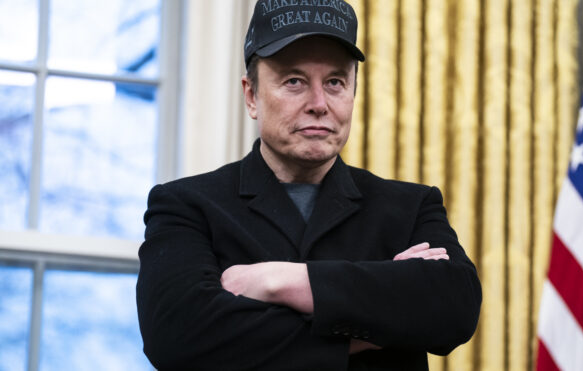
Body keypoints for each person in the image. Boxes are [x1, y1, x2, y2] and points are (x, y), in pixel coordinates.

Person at [136, 1, 481, 370]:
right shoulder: (186, 205)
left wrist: (278, 280)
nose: (319, 104)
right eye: (294, 81)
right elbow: (178, 336)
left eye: (335, 82)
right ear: (251, 95)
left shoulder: (412, 206)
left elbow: (453, 307)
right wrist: (374, 324)